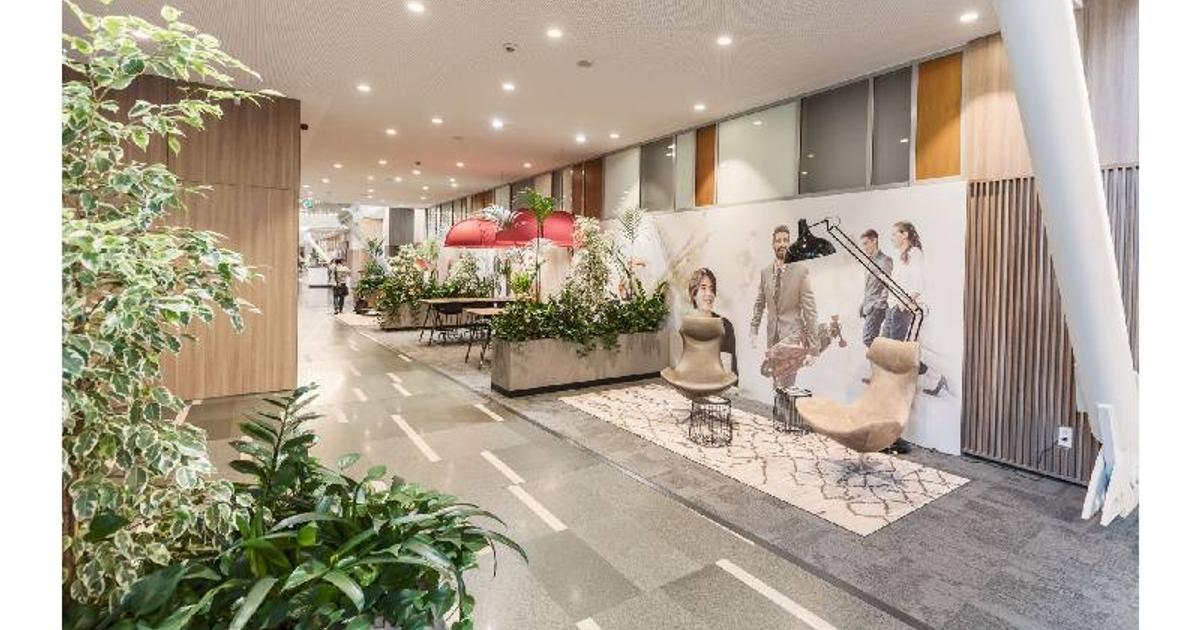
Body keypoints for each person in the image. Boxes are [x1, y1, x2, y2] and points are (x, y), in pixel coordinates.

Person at [880, 221, 948, 396]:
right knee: (890, 350)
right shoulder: (900, 255)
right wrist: (886, 281)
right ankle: (934, 377)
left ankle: (897, 390)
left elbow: (919, 283)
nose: (891, 237)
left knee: (898, 352)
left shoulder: (915, 253)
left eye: (894, 234)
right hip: (893, 306)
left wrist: (906, 302)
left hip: (902, 309)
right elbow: (900, 282)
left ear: (905, 235)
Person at [750, 225, 817, 387]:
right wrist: (754, 328)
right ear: (773, 244)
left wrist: (813, 349)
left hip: (792, 339)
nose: (782, 244)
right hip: (772, 338)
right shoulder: (765, 272)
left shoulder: (800, 271)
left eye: (786, 240)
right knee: (776, 382)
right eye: (778, 241)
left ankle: (783, 402)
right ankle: (779, 402)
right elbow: (760, 302)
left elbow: (810, 310)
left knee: (786, 384)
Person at [689, 268, 737, 376]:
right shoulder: (688, 327)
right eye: (703, 288)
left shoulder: (724, 325)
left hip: (720, 384)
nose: (709, 293)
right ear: (694, 294)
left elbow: (726, 371)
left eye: (711, 289)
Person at [859, 229, 893, 349]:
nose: (864, 247)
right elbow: (869, 287)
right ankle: (886, 356)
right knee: (872, 339)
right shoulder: (869, 262)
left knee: (868, 339)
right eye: (863, 244)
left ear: (874, 241)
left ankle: (886, 356)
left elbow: (888, 285)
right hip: (869, 306)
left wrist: (879, 304)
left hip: (878, 307)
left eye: (866, 243)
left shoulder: (885, 260)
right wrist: (863, 304)